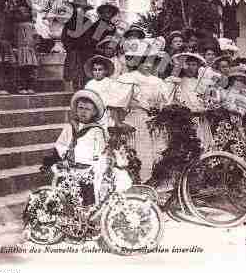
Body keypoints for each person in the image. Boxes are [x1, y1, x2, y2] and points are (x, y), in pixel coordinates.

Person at [54, 89, 132, 205]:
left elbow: (101, 151)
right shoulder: (70, 127)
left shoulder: (97, 130)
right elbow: (60, 144)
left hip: (89, 167)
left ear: (94, 112)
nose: (83, 112)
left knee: (89, 191)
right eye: (80, 108)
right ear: (76, 110)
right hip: (70, 165)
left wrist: (96, 163)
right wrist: (65, 155)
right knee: (65, 191)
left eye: (87, 109)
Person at [117, 44, 170, 183]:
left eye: (150, 61)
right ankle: (136, 182)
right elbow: (118, 104)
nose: (147, 64)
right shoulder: (128, 79)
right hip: (135, 119)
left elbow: (164, 103)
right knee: (137, 153)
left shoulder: (158, 81)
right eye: (143, 60)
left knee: (154, 155)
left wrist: (159, 113)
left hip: (154, 121)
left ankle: (150, 184)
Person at [62, 0, 95, 91]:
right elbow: (64, 37)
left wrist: (87, 47)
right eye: (77, 8)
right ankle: (75, 91)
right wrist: (70, 47)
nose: (80, 10)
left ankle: (85, 92)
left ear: (85, 10)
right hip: (73, 52)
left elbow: (92, 38)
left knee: (86, 73)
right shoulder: (69, 22)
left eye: (82, 8)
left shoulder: (88, 22)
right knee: (74, 73)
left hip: (86, 53)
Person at [11, 0, 39, 94]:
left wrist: (35, 45)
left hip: (30, 49)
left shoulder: (30, 25)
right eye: (21, 11)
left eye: (26, 11)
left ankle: (29, 86)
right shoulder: (16, 26)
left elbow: (35, 37)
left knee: (30, 68)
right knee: (21, 69)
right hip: (20, 49)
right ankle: (21, 86)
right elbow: (13, 36)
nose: (24, 13)